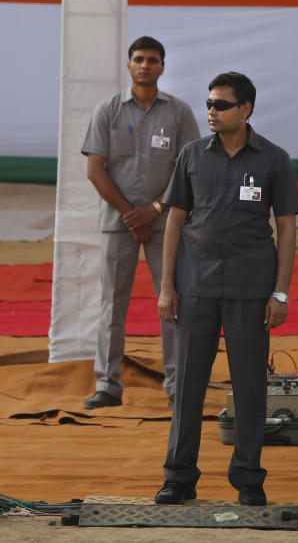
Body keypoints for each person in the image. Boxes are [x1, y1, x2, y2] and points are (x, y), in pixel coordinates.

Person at [154, 71, 298, 506]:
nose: (211, 112)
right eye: (209, 104)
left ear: (246, 109)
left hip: (251, 291)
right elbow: (175, 221)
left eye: (221, 105)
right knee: (188, 386)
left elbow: (288, 227)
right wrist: (167, 286)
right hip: (195, 287)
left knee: (251, 385)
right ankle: (178, 478)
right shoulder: (191, 155)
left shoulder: (273, 159)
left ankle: (249, 479)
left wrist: (280, 293)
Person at [81, 36, 200, 410]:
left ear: (163, 66)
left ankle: (178, 388)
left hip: (166, 223)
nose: (145, 65)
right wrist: (132, 216)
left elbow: (190, 169)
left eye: (152, 60)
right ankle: (108, 385)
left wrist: (155, 208)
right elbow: (94, 169)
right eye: (138, 59)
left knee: (172, 302)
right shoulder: (108, 111)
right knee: (111, 305)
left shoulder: (178, 113)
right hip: (118, 223)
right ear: (128, 66)